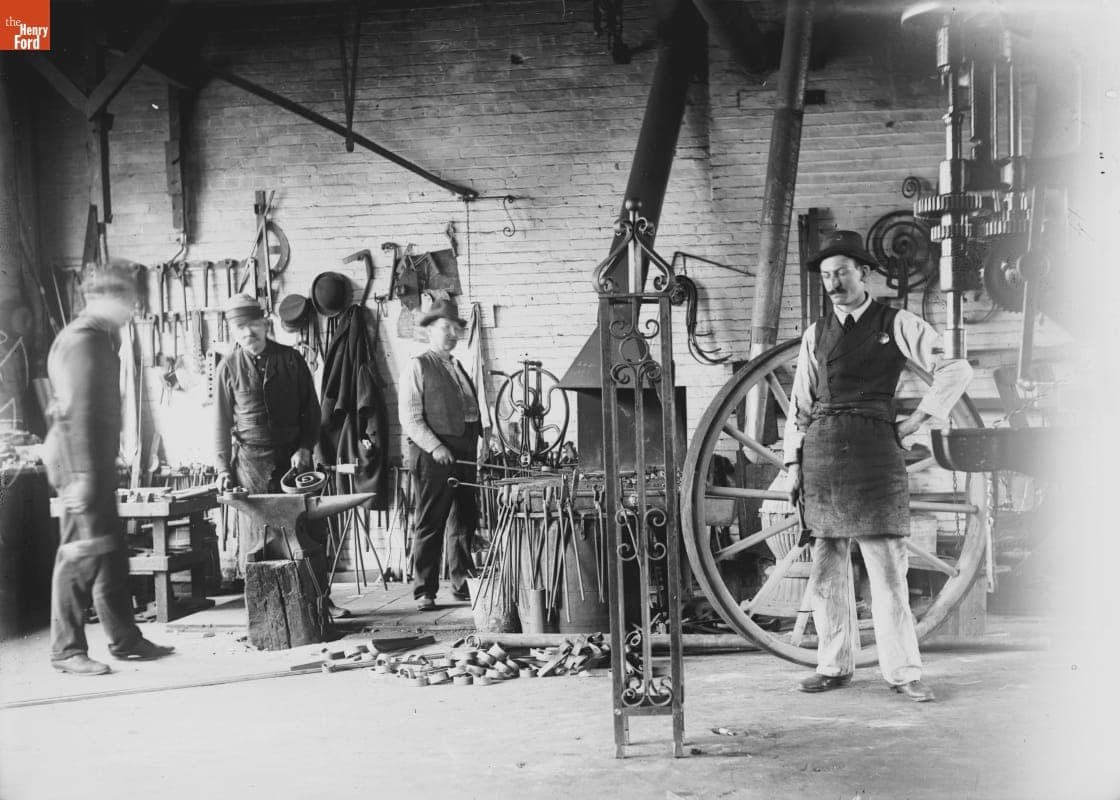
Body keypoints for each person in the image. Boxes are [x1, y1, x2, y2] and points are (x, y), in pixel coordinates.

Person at [784, 230, 973, 703]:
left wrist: (916, 420)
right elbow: (799, 406)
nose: (833, 284)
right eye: (826, 276)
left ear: (864, 274)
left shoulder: (899, 322)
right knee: (826, 572)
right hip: (823, 453)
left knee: (887, 571)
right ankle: (833, 666)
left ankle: (904, 673)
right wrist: (792, 464)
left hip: (874, 451)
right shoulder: (815, 333)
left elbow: (956, 369)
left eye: (842, 273)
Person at [43, 261, 174, 675]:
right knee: (81, 553)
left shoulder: (101, 337)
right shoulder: (83, 341)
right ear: (101, 298)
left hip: (93, 460)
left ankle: (124, 638)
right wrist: (81, 476)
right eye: (127, 301)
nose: (131, 309)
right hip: (77, 462)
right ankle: (66, 650)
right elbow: (76, 414)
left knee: (111, 551)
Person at [213, 294, 345, 620]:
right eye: (240, 328)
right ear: (233, 332)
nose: (248, 333)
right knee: (260, 539)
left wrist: (304, 447)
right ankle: (267, 611)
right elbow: (220, 424)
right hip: (250, 466)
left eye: (252, 324)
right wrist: (222, 469)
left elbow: (312, 413)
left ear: (265, 323)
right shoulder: (227, 368)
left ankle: (320, 603)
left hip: (293, 460)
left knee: (309, 532)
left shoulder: (291, 360)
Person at [399, 299, 488, 610]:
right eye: (444, 328)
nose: (451, 333)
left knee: (465, 518)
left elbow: (470, 409)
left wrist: (480, 440)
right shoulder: (418, 365)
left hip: (464, 449)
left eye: (455, 328)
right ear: (429, 332)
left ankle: (463, 584)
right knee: (430, 521)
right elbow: (409, 417)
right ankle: (425, 590)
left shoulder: (457, 365)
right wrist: (435, 446)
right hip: (433, 453)